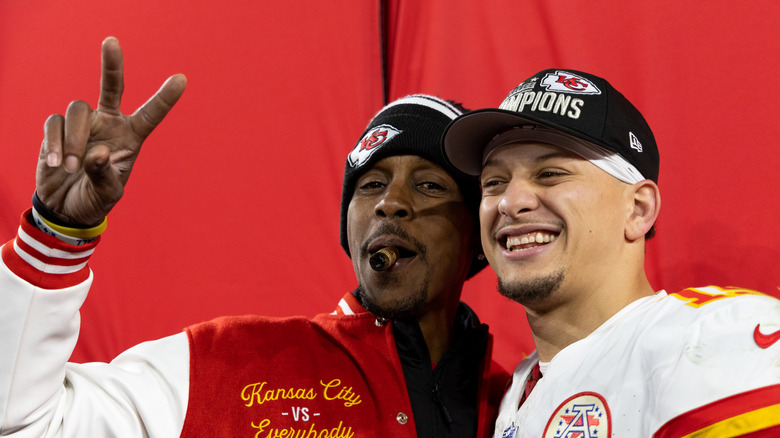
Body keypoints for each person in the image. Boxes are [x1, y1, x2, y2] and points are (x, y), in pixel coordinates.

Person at [0, 37, 508, 437]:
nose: (388, 202)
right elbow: (29, 424)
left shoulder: (529, 403)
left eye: (429, 185)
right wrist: (54, 237)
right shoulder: (225, 368)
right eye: (371, 184)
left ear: (478, 236)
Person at [441, 68, 780, 437]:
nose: (510, 201)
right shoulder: (510, 394)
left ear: (638, 209)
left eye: (550, 173)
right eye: (494, 182)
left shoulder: (712, 341)